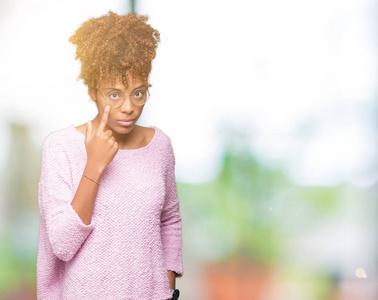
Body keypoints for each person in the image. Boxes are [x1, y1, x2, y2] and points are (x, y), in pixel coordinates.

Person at [36, 11, 183, 300]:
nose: (129, 107)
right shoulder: (60, 148)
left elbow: (169, 219)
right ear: (92, 90)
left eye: (138, 93)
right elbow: (62, 245)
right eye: (114, 95)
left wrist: (166, 288)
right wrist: (94, 165)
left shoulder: (160, 146)